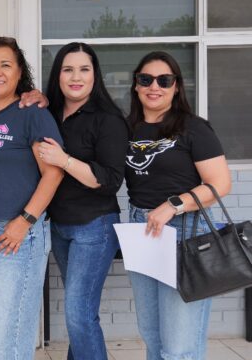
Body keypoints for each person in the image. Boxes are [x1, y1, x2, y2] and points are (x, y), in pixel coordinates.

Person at [0, 37, 64, 360]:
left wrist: (25, 220)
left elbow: (53, 173)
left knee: (7, 330)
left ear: (20, 72)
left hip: (17, 233)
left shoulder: (32, 114)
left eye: (6, 65)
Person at [124, 51, 231, 360]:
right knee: (153, 338)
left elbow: (220, 184)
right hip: (141, 230)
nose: (154, 86)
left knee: (178, 347)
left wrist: (173, 205)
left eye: (164, 80)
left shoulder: (193, 128)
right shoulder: (127, 128)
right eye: (146, 79)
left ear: (176, 86)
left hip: (185, 231)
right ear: (136, 85)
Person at [38, 42, 128, 360]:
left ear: (95, 75)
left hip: (95, 226)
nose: (76, 77)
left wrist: (63, 160)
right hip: (59, 225)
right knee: (80, 313)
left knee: (79, 313)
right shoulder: (49, 113)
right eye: (68, 69)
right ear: (58, 75)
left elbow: (108, 181)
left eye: (84, 69)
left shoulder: (108, 119)